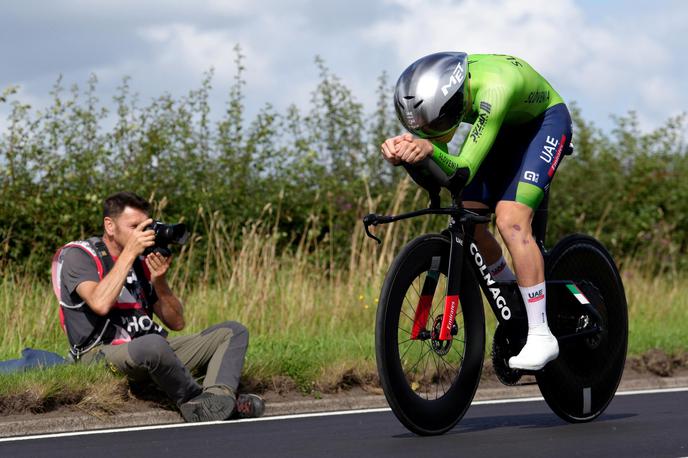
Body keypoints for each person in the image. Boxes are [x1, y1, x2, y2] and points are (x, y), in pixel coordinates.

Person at [381, 52, 573, 371]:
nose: (434, 130)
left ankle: (541, 334)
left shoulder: (493, 89)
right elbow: (441, 170)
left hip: (544, 123)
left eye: (439, 121)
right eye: (426, 125)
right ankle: (512, 291)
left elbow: (464, 168)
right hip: (505, 126)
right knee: (468, 216)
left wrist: (428, 150)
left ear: (456, 100)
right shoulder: (447, 95)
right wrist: (408, 153)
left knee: (511, 220)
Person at [52, 191, 264, 422]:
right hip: (99, 357)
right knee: (153, 345)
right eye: (135, 226)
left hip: (151, 352)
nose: (142, 234)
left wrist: (159, 280)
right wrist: (130, 254)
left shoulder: (141, 262)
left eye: (146, 226)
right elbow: (100, 303)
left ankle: (219, 398)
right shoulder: (79, 255)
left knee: (232, 331)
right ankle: (192, 399)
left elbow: (177, 322)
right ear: (110, 226)